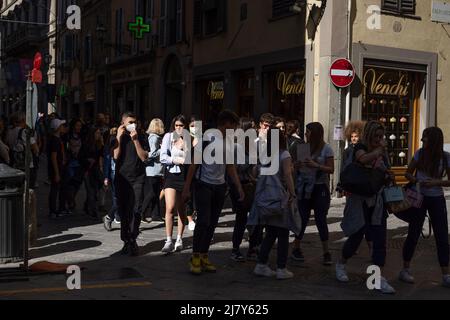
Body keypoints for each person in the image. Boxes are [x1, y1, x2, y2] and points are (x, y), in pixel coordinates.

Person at [336, 120, 395, 294]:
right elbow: (362, 159)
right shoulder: (359, 147)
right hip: (359, 202)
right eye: (376, 136)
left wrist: (388, 175)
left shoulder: (382, 154)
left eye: (381, 136)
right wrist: (379, 151)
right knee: (356, 237)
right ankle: (341, 263)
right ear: (369, 135)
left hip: (377, 202)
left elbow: (385, 170)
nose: (379, 139)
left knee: (379, 241)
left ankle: (376, 278)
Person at [182, 110, 245, 275]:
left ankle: (204, 255)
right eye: (233, 126)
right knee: (203, 221)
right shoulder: (206, 140)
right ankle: (195, 256)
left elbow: (230, 167)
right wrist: (187, 188)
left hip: (220, 186)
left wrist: (238, 187)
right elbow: (194, 165)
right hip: (203, 185)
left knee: (212, 223)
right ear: (225, 124)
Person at [398, 127, 450, 287]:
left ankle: (446, 274)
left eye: (425, 138)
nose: (422, 141)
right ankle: (405, 269)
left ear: (433, 140)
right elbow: (407, 173)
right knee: (413, 232)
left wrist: (435, 182)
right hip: (418, 197)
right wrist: (416, 181)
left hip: (437, 198)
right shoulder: (419, 153)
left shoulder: (446, 157)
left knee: (442, 236)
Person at [249, 128, 301, 280]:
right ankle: (281, 267)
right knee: (283, 233)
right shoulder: (284, 154)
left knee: (271, 232)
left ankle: (261, 264)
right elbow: (287, 175)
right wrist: (292, 192)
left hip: (266, 199)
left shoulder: (265, 155)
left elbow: (255, 173)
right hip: (279, 198)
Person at [292, 122, 334, 265]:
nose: (306, 134)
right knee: (302, 218)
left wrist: (316, 165)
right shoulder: (303, 147)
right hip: (304, 187)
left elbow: (331, 169)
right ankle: (296, 248)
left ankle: (326, 251)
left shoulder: (326, 148)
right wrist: (297, 166)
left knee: (320, 219)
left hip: (319, 187)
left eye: (308, 132)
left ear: (315, 133)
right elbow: (296, 167)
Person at [113, 112, 149, 256]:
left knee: (136, 209)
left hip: (138, 178)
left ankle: (132, 239)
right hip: (122, 178)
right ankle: (126, 240)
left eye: (134, 121)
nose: (133, 124)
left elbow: (144, 157)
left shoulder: (141, 136)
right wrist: (118, 138)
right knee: (123, 211)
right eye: (130, 122)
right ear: (123, 124)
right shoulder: (117, 137)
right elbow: (115, 156)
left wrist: (135, 141)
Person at [228, 118, 258, 262]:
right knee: (241, 218)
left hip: (251, 187)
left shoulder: (253, 147)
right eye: (253, 127)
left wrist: (254, 179)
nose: (256, 130)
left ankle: (253, 247)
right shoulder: (235, 148)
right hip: (239, 186)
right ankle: (235, 249)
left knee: (254, 218)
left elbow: (253, 170)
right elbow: (233, 169)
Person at [160, 115, 189, 253]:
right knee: (170, 207)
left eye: (181, 125)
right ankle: (168, 240)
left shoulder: (188, 139)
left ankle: (179, 238)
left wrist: (186, 147)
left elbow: (192, 159)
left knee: (181, 209)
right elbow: (163, 157)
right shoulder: (168, 137)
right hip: (171, 174)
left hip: (184, 176)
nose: (178, 128)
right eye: (176, 125)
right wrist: (177, 159)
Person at [142, 119, 165, 223]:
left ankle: (156, 215)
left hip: (156, 170)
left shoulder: (155, 137)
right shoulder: (154, 138)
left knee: (155, 193)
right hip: (153, 170)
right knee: (151, 193)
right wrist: (162, 149)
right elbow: (152, 154)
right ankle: (141, 212)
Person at [80, 127, 104, 219]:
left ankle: (87, 206)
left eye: (99, 133)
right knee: (91, 191)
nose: (98, 135)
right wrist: (88, 160)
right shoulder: (86, 145)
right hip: (87, 171)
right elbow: (80, 157)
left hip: (96, 170)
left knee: (95, 190)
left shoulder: (99, 145)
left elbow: (101, 157)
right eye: (97, 133)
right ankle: (93, 211)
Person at [47, 119, 68, 219]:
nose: (64, 127)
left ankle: (60, 208)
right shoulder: (54, 140)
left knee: (62, 188)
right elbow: (53, 157)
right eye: (62, 126)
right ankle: (53, 210)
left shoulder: (59, 139)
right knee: (55, 190)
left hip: (61, 168)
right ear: (58, 128)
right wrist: (56, 173)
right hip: (57, 169)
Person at [103, 127, 121, 231]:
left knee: (118, 197)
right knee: (116, 197)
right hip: (115, 174)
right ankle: (110, 216)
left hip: (123, 174)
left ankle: (117, 216)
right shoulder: (111, 145)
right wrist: (106, 177)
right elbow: (107, 163)